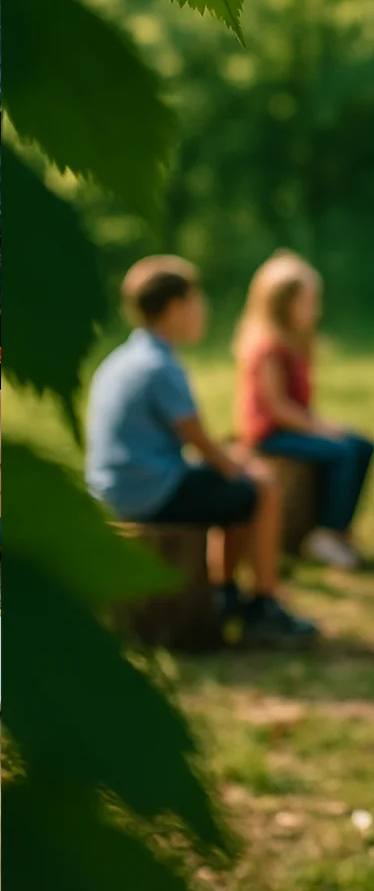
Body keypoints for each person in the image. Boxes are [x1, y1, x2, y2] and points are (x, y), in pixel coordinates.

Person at [86, 256, 316, 647]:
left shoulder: (124, 358)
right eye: (197, 300)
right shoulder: (159, 366)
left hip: (115, 488)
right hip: (148, 493)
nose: (202, 309)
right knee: (260, 489)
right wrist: (239, 468)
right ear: (176, 307)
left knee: (234, 490)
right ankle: (264, 602)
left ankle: (226, 591)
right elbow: (199, 440)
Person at [235, 251, 374, 570]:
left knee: (362, 444)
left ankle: (339, 528)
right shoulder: (267, 346)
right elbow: (278, 407)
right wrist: (320, 428)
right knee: (342, 451)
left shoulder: (298, 342)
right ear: (282, 306)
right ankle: (324, 535)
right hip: (269, 434)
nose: (315, 309)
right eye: (307, 302)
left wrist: (321, 425)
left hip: (296, 427)